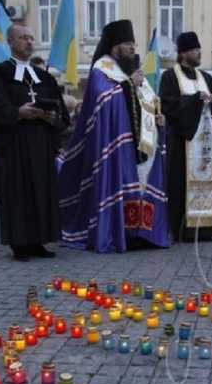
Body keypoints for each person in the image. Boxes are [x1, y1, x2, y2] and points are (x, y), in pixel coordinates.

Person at [57, 19, 170, 253]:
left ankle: (141, 233)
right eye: (128, 43)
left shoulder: (129, 71)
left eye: (134, 43)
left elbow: (147, 102)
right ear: (115, 46)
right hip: (116, 144)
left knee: (141, 185)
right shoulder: (102, 67)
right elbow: (103, 99)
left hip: (141, 146)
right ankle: (121, 232)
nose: (132, 48)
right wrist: (129, 85)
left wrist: (158, 119)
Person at [0, 24, 69, 261]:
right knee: (19, 193)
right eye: (23, 38)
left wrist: (51, 117)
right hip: (15, 145)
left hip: (40, 144)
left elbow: (62, 114)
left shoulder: (45, 78)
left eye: (31, 38)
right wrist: (17, 113)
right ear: (10, 41)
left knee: (41, 191)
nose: (29, 42)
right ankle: (19, 244)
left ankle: (39, 241)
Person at [159, 31, 212, 242]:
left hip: (206, 145)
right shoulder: (170, 76)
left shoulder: (205, 77)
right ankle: (181, 231)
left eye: (199, 49)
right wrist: (196, 100)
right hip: (183, 143)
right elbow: (168, 106)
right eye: (195, 49)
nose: (199, 53)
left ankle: (207, 230)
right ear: (183, 52)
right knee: (180, 185)